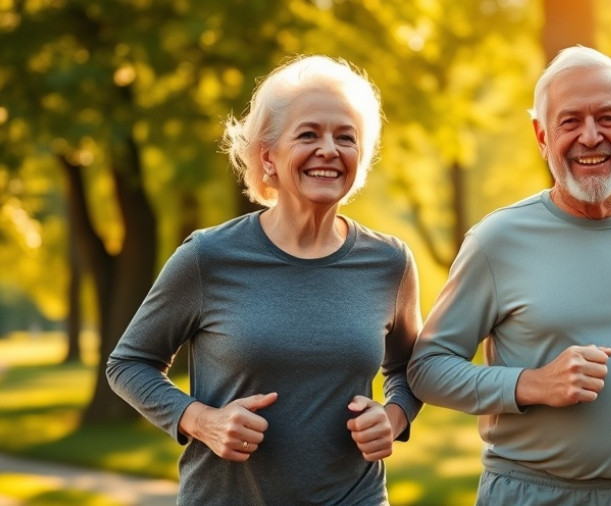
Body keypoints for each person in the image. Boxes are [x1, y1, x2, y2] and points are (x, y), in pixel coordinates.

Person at [407, 45, 611, 506]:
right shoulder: (496, 240)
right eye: (570, 121)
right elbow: (427, 369)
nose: (591, 136)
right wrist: (533, 384)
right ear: (541, 136)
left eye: (608, 118)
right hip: (529, 495)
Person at [107, 54, 422, 505]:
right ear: (267, 157)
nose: (329, 149)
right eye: (308, 134)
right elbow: (128, 363)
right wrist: (200, 421)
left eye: (346, 137)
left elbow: (412, 370)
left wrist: (393, 418)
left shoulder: (390, 262)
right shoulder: (208, 256)